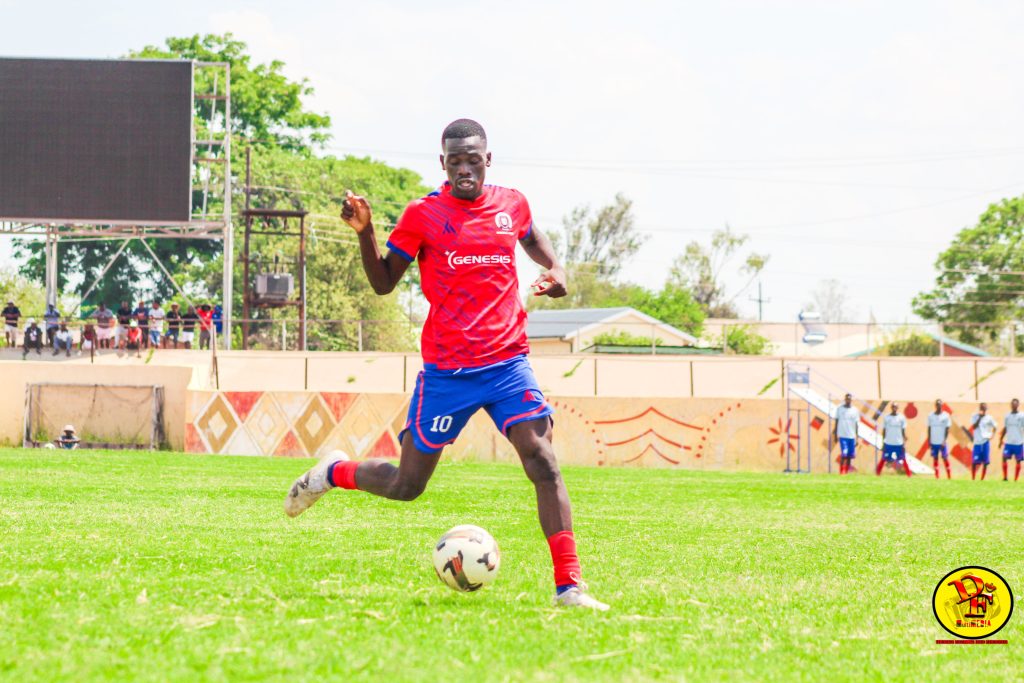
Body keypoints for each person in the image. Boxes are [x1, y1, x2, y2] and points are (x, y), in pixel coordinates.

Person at [285, 119, 607, 610]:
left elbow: (532, 237)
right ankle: (334, 472)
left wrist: (556, 269)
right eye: (455, 162)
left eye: (472, 160)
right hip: (448, 373)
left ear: (487, 159)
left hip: (507, 364)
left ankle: (569, 588)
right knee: (406, 485)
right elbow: (383, 283)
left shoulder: (512, 204)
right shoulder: (423, 215)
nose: (464, 170)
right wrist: (366, 232)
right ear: (443, 163)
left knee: (543, 461)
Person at [876, 402, 911, 477]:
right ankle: (877, 474)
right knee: (883, 458)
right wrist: (883, 442)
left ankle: (909, 475)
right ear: (891, 408)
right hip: (888, 442)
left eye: (896, 407)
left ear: (897, 408)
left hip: (898, 443)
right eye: (893, 407)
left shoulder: (901, 418)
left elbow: (903, 431)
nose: (894, 408)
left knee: (903, 459)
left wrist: (904, 441)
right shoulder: (887, 418)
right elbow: (884, 431)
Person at [970, 402, 997, 480]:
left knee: (985, 462)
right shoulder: (975, 416)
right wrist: (979, 418)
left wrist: (992, 435)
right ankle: (973, 478)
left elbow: (995, 426)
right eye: (982, 408)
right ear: (980, 408)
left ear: (986, 409)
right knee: (974, 462)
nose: (983, 410)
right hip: (977, 442)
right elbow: (974, 427)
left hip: (985, 442)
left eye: (984, 408)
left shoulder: (989, 418)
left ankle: (982, 479)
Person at [999, 398, 1024, 482]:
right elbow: (1005, 428)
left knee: (1018, 460)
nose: (1014, 405)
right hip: (1008, 442)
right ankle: (1005, 477)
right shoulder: (1007, 416)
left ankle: (1015, 479)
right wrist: (1000, 440)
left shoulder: (1022, 416)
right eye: (1013, 404)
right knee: (1004, 458)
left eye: (1016, 404)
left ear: (1018, 405)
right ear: (1011, 405)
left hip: (1018, 442)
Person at [833, 393, 859, 475]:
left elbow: (856, 424)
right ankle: (841, 472)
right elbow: (836, 421)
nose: (848, 400)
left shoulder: (855, 410)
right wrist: (835, 434)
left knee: (849, 456)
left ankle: (846, 472)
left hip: (851, 436)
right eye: (847, 398)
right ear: (845, 399)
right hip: (842, 435)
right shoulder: (839, 409)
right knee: (844, 454)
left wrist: (857, 437)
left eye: (849, 399)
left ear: (851, 400)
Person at [927, 399, 952, 479]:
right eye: (937, 404)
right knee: (935, 458)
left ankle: (949, 476)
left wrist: (944, 440)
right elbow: (929, 428)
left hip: (942, 442)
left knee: (945, 458)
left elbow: (947, 429)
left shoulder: (946, 416)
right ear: (935, 405)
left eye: (940, 404)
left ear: (942, 405)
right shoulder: (930, 416)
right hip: (934, 441)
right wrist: (929, 440)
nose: (938, 406)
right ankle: (937, 477)